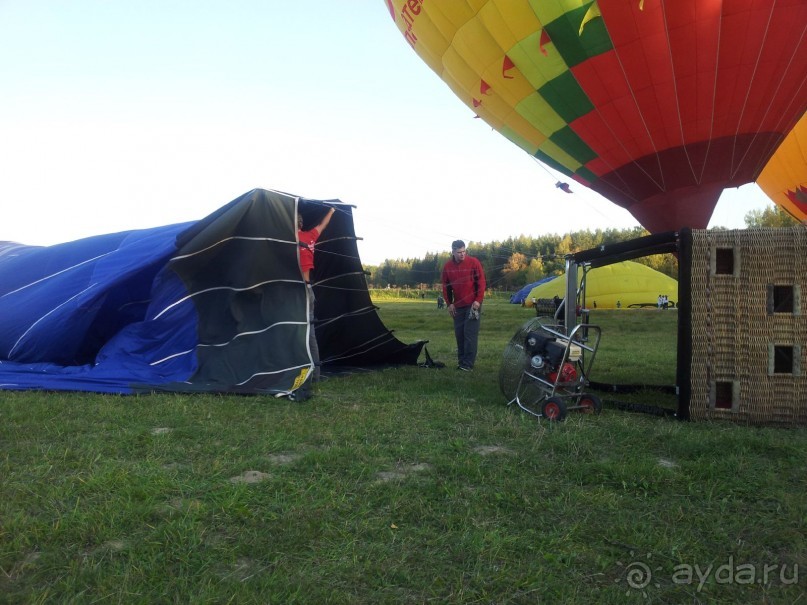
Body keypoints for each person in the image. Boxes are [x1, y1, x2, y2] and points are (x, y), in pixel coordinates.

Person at [298, 206, 335, 383]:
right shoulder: (310, 236)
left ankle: (297, 370)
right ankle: (316, 374)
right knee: (310, 333)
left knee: (295, 330)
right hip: (309, 289)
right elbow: (323, 224)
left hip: (298, 292)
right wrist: (332, 210)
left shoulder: (292, 241)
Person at [441, 240, 486, 371]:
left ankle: (468, 364)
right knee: (459, 334)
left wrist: (478, 300)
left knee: (469, 334)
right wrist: (449, 304)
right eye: (459, 252)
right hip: (458, 305)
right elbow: (446, 287)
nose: (462, 254)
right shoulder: (448, 267)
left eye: (464, 251)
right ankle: (461, 362)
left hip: (473, 304)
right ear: (453, 252)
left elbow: (481, 282)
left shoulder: (474, 262)